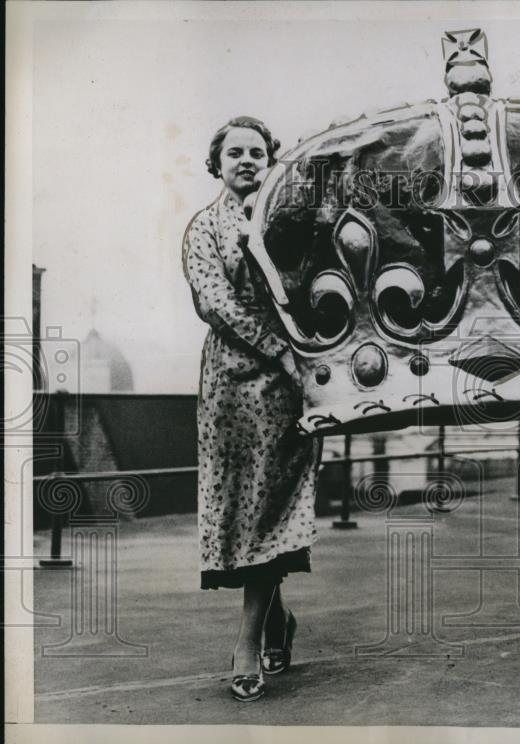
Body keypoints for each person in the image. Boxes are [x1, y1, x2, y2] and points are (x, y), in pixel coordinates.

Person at [182, 116, 320, 702]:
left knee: (273, 509)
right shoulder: (202, 228)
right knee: (245, 511)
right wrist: (278, 352)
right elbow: (215, 305)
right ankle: (277, 618)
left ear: (270, 161)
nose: (246, 161)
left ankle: (246, 642)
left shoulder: (288, 226)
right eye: (235, 152)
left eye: (257, 153)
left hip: (287, 390)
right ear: (217, 163)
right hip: (232, 388)